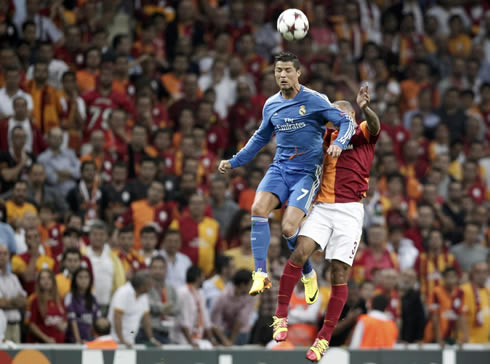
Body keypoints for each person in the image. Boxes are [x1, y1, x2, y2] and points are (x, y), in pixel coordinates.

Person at [218, 52, 356, 299]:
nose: (282, 75)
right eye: (278, 71)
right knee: (258, 209)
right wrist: (234, 161)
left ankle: (308, 273)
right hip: (280, 168)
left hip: (306, 173)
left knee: (288, 228)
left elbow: (347, 122)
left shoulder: (315, 100)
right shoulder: (271, 104)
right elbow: (260, 137)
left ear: (298, 73)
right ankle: (260, 274)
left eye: (287, 71)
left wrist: (340, 143)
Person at [271, 85, 381, 362]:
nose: (332, 117)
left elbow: (376, 125)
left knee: (338, 274)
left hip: (350, 210)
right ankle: (281, 316)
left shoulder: (361, 133)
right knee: (299, 252)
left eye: (338, 112)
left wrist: (366, 107)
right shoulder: (322, 138)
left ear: (352, 116)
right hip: (322, 207)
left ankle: (324, 338)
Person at [108, 271, 162, 348]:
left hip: (131, 337)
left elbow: (146, 320)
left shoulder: (144, 296)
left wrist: (151, 339)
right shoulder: (123, 293)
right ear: (142, 287)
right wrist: (122, 340)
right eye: (149, 285)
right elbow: (117, 318)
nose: (151, 287)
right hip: (115, 340)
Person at [211, 269, 256, 345]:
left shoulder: (251, 296)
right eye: (251, 284)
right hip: (222, 331)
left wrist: (231, 341)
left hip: (241, 332)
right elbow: (215, 321)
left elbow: (241, 320)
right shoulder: (223, 296)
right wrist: (224, 340)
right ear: (242, 285)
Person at [25, 268, 67, 343]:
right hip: (41, 344)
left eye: (49, 278)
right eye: (42, 278)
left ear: (53, 281)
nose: (46, 281)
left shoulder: (60, 299)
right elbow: (31, 325)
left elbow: (65, 319)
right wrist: (46, 338)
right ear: (38, 282)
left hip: (59, 343)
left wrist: (64, 325)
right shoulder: (34, 300)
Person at [65, 267, 101, 343]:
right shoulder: (70, 296)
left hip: (90, 340)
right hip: (73, 341)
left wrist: (95, 339)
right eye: (80, 277)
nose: (83, 280)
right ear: (75, 280)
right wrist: (78, 340)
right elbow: (72, 320)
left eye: (86, 277)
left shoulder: (93, 298)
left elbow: (97, 321)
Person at [0, 244, 27, 343]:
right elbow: (1, 303)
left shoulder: (13, 278)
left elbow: (24, 300)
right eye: (0, 253)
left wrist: (8, 302)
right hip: (2, 327)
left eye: (5, 253)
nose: (2, 256)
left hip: (15, 325)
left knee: (16, 357)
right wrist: (16, 301)